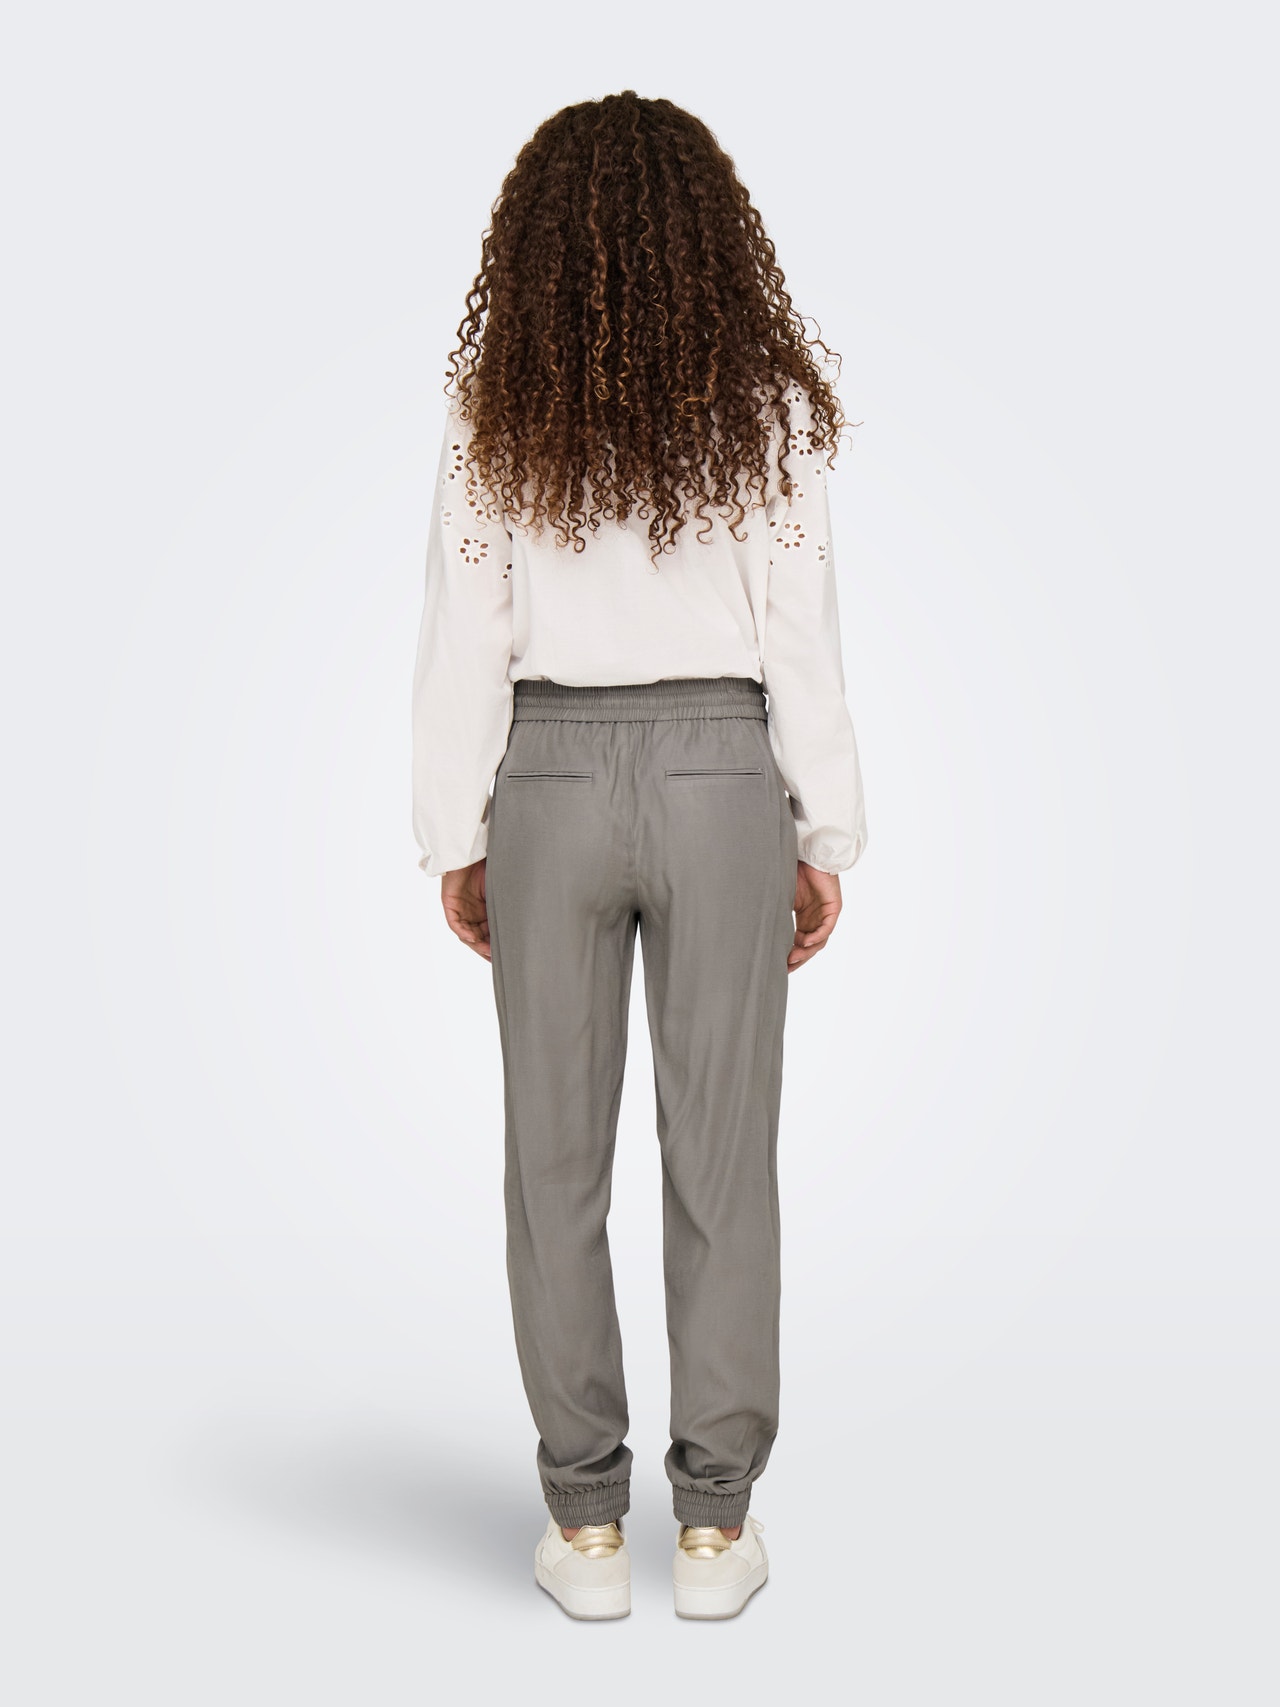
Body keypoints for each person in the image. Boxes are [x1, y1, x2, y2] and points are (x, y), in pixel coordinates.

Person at [411, 90, 867, 1622]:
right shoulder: (767, 408)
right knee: (722, 1158)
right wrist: (824, 825)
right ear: (714, 236)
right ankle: (718, 1533)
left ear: (536, 242)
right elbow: (801, 631)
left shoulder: (499, 405)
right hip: (724, 771)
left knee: (552, 1162)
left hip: (544, 774)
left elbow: (464, 633)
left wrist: (457, 830)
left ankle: (588, 1529)